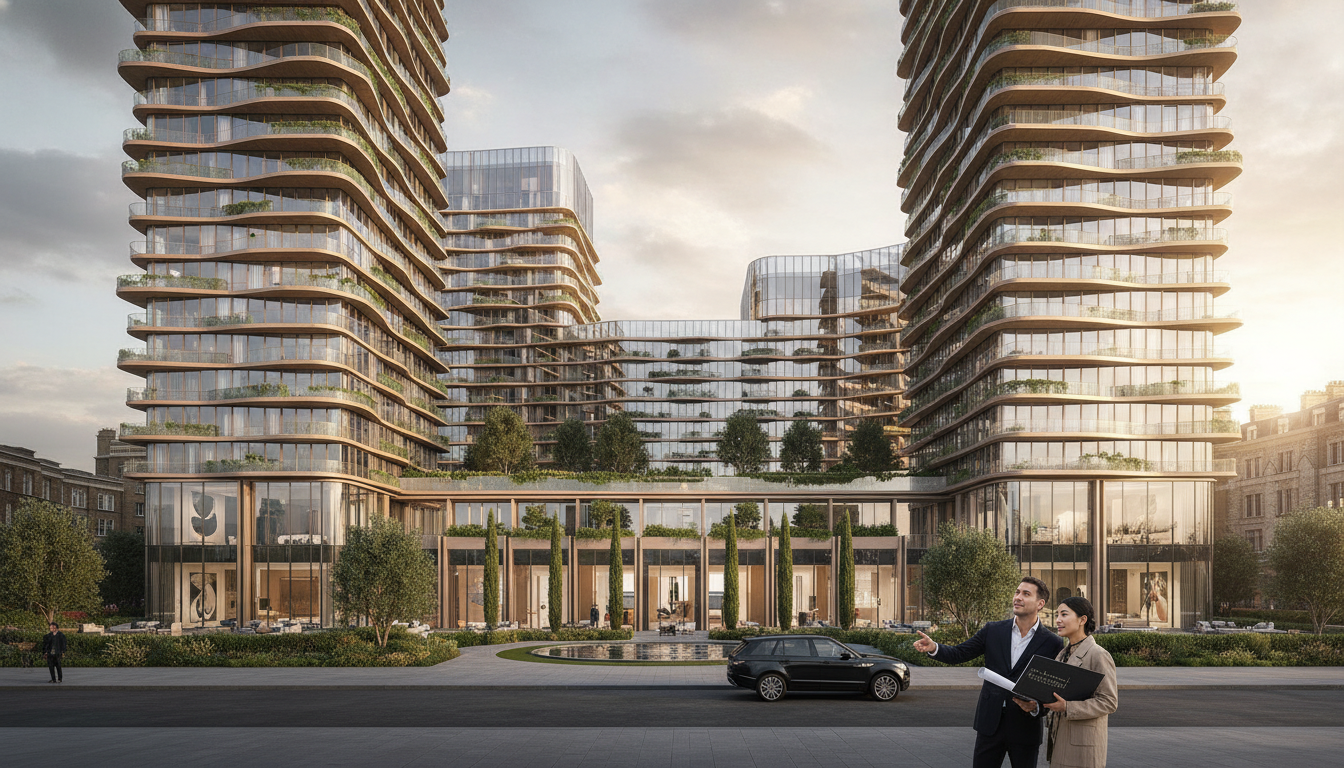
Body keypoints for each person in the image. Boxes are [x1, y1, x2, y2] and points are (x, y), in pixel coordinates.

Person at [913, 577, 1065, 768]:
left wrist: (1036, 707)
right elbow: (960, 653)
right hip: (990, 723)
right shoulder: (993, 630)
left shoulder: (1053, 642)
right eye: (1017, 592)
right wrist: (934, 647)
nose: (1018, 597)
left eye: (1026, 594)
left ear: (1040, 604)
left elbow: (1052, 687)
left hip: (1025, 727)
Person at [1040, 596, 1118, 767]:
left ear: (1082, 620)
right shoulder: (1062, 654)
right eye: (1057, 615)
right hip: (1060, 740)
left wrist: (1068, 707)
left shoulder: (1098, 655)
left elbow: (1109, 702)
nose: (1058, 620)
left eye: (1064, 614)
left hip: (1083, 745)